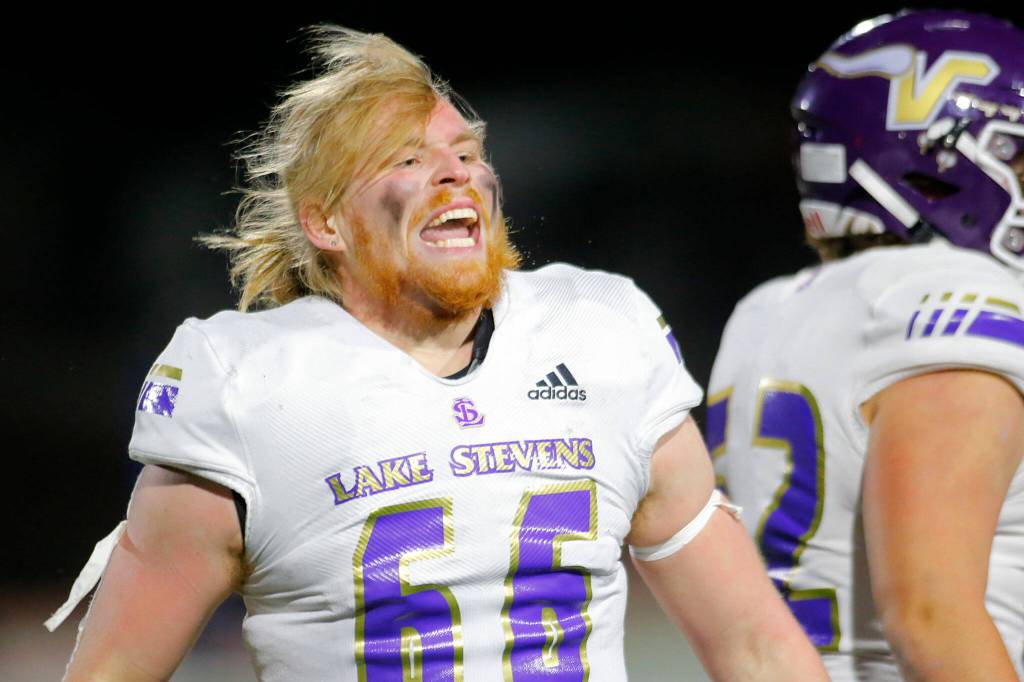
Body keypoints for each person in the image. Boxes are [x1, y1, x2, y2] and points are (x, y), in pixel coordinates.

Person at [48, 27, 826, 681]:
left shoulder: (599, 335)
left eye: (465, 150)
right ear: (326, 223)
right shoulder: (248, 385)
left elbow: (753, 643)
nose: (456, 171)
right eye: (408, 159)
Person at [708, 9, 1024, 682]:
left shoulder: (764, 312)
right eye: (1018, 160)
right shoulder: (958, 300)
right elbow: (929, 616)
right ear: (939, 164)